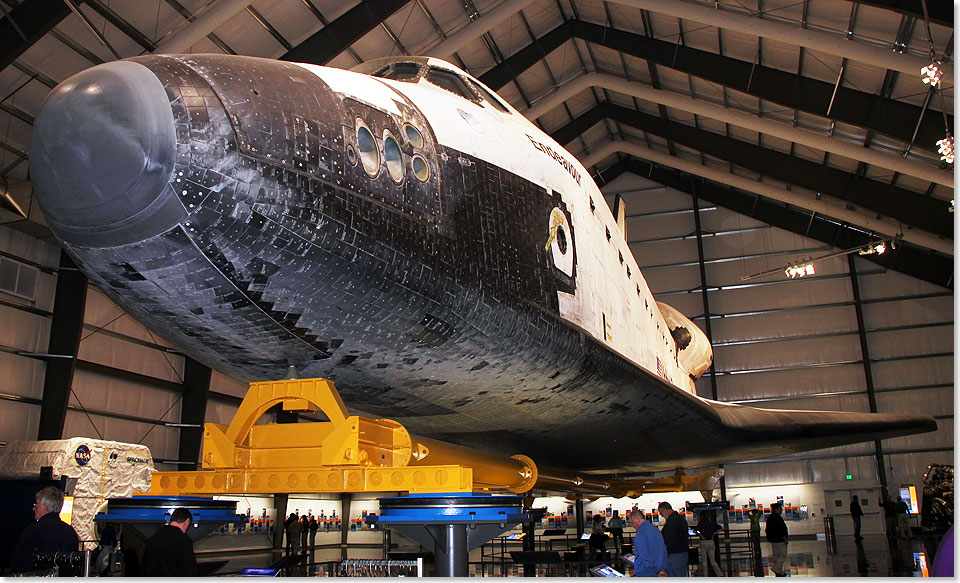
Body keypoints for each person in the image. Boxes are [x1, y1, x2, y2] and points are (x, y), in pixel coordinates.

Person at [11, 486, 80, 573]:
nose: (33, 508)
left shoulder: (34, 530)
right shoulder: (70, 532)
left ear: (45, 506)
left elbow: (19, 562)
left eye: (36, 504)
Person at [140, 507, 198, 577]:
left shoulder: (154, 538)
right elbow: (189, 570)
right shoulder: (184, 540)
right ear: (187, 521)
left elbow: (144, 566)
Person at [629, 510, 668, 577]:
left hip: (645, 572)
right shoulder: (656, 530)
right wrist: (662, 569)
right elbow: (664, 550)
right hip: (659, 571)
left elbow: (645, 556)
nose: (632, 526)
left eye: (632, 523)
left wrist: (656, 570)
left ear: (637, 520)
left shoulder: (640, 534)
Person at [657, 502, 689, 577]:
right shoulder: (680, 519)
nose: (661, 515)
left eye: (660, 512)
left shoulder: (671, 522)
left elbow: (670, 541)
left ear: (662, 510)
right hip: (683, 555)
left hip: (674, 556)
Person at [694, 511, 724, 577]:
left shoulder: (700, 524)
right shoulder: (711, 523)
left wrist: (700, 535)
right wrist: (714, 534)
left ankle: (705, 575)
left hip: (703, 542)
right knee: (712, 560)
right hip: (711, 541)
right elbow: (721, 528)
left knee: (704, 561)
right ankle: (720, 574)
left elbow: (695, 530)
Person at [765, 503, 789, 577]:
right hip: (780, 539)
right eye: (780, 509)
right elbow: (781, 529)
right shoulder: (778, 518)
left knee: (777, 556)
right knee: (783, 555)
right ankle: (776, 568)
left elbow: (767, 529)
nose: (781, 510)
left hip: (773, 540)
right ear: (777, 509)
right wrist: (784, 537)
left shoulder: (770, 517)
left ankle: (780, 571)